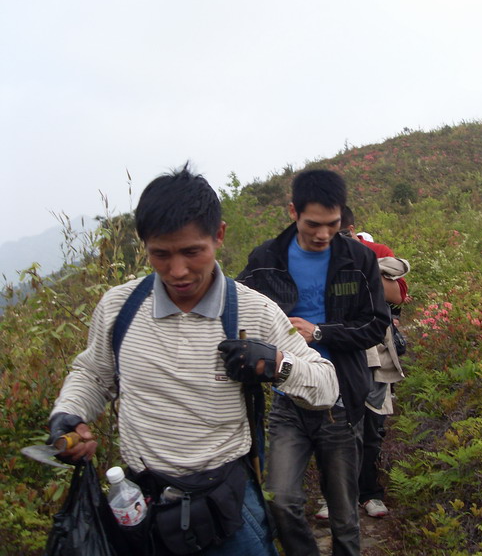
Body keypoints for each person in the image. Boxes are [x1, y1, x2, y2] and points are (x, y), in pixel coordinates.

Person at [47, 164, 339, 556]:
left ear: (218, 235)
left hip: (228, 507)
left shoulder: (253, 312)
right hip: (143, 507)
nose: (177, 271)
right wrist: (68, 414)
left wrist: (276, 364)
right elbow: (94, 375)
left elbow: (326, 385)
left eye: (191, 252)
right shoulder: (120, 308)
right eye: (160, 254)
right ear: (144, 245)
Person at [237, 170, 390, 556]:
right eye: (313, 224)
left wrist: (320, 333)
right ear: (293, 212)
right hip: (288, 400)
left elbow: (376, 324)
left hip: (341, 401)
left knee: (343, 513)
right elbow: (236, 308)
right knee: (281, 499)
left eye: (332, 224)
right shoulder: (266, 259)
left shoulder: (357, 259)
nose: (323, 234)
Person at [332, 206, 408, 519]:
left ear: (351, 229)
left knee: (372, 426)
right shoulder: (315, 256)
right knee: (336, 425)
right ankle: (335, 495)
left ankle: (370, 493)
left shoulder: (378, 252)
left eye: (338, 231)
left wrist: (361, 268)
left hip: (374, 353)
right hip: (335, 352)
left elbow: (397, 296)